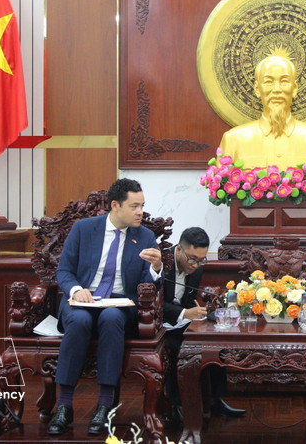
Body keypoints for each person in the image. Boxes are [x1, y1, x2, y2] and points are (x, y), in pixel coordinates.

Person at [48, 178, 164, 436]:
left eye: (142, 206)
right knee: (79, 322)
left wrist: (156, 268)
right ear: (115, 205)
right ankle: (64, 406)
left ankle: (104, 405)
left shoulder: (145, 236)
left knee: (111, 319)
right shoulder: (83, 229)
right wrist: (77, 290)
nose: (140, 212)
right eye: (134, 206)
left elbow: (148, 286)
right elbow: (64, 271)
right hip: (82, 301)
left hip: (120, 305)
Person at [163, 227, 246, 426]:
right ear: (178, 251)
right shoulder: (162, 264)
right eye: (192, 259)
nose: (196, 265)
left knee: (216, 338)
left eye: (201, 260)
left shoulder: (197, 267)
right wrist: (184, 313)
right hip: (162, 324)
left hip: (183, 321)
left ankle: (214, 400)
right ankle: (175, 406)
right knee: (179, 346)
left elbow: (190, 298)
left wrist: (200, 313)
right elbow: (153, 302)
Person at [217, 52, 306, 170]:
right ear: (257, 89)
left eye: (284, 82)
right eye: (268, 82)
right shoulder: (233, 140)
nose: (276, 90)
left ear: (295, 88)